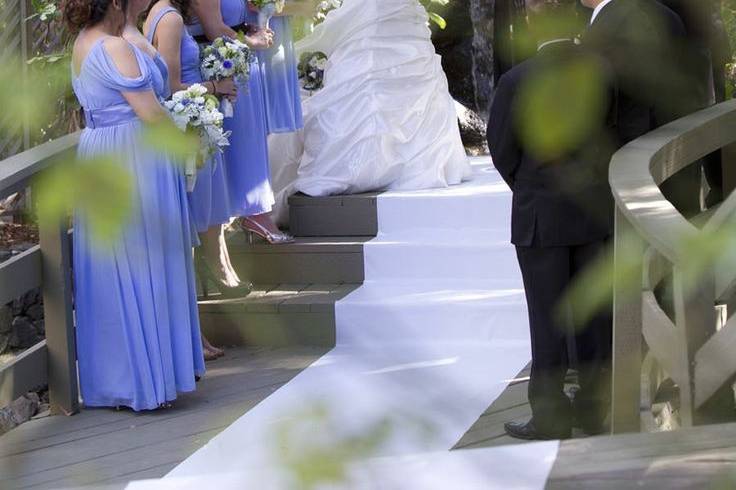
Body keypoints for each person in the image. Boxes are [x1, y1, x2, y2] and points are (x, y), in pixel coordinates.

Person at [63, 0, 204, 410]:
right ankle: (149, 381)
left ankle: (119, 379)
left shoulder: (81, 43)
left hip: (100, 153)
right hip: (132, 157)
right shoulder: (114, 47)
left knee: (114, 266)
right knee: (144, 261)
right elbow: (150, 114)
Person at [488, 0, 614, 440]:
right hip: (593, 215)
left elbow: (501, 151)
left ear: (527, 24)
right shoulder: (599, 74)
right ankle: (596, 411)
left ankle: (551, 416)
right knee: (595, 317)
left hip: (540, 220)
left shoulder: (515, 80)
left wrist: (530, 190)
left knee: (547, 320)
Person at [143, 0, 243, 360]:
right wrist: (216, 86)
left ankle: (193, 334)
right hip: (186, 132)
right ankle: (191, 337)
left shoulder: (166, 14)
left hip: (193, 126)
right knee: (185, 236)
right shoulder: (168, 18)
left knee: (188, 235)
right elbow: (170, 87)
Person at [291, 0, 471, 197]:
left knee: (394, 77)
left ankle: (390, 163)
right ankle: (374, 163)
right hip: (378, 13)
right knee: (371, 80)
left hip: (398, 14)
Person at [190, 0, 295, 245]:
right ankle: (249, 214)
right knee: (241, 143)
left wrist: (254, 25)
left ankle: (255, 213)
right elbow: (213, 28)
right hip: (222, 64)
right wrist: (252, 41)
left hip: (239, 60)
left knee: (250, 140)